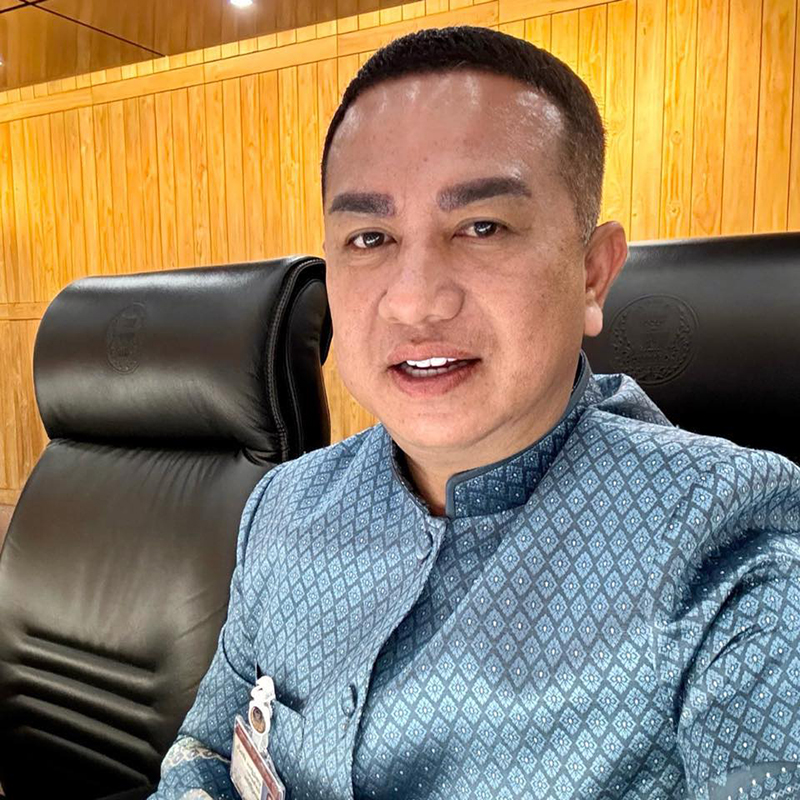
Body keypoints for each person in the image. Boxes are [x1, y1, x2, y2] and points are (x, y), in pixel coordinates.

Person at [150, 25, 800, 800]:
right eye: (370, 237)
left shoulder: (730, 547)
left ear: (593, 275)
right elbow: (204, 748)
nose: (415, 300)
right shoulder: (285, 504)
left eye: (482, 227)